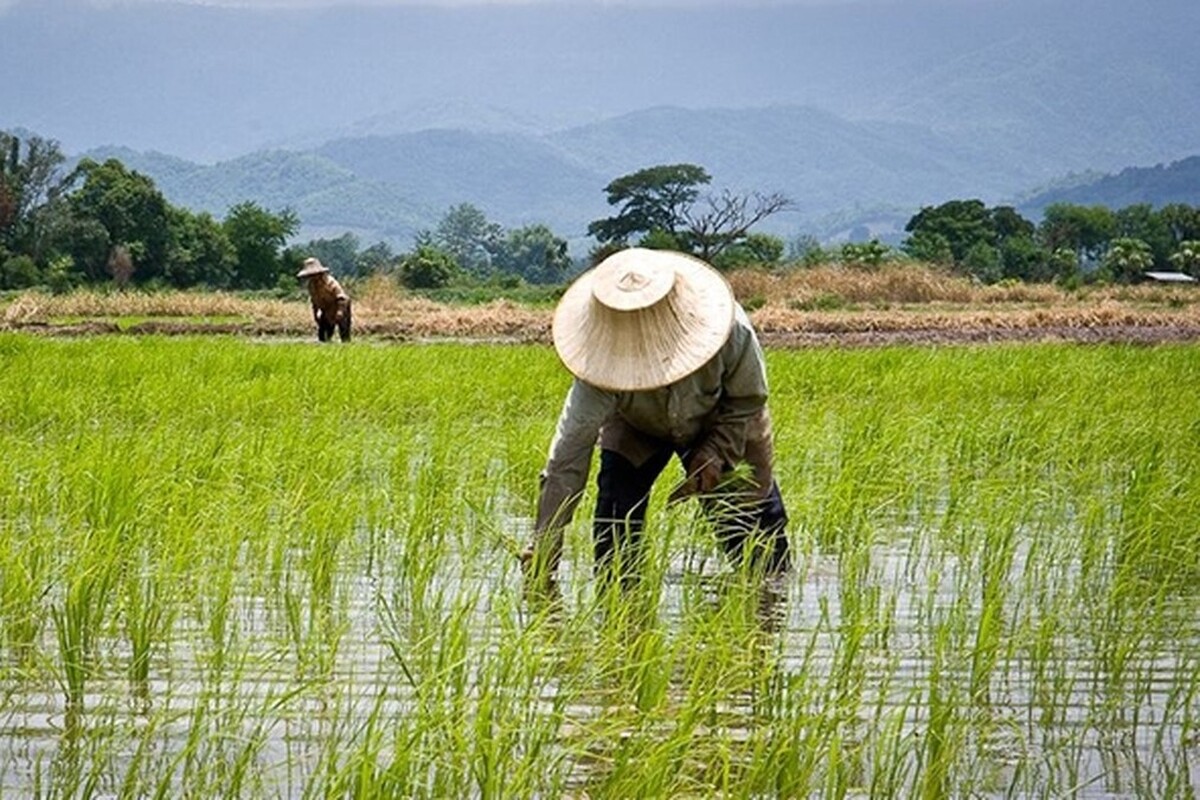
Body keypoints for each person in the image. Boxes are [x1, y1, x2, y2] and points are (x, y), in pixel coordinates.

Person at [521, 247, 789, 590]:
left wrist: (715, 451)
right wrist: (544, 546)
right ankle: (622, 617)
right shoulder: (597, 367)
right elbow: (567, 459)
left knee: (758, 542)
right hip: (635, 426)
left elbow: (748, 399)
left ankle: (767, 612)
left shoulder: (730, 331)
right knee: (614, 529)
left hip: (721, 419)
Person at [297, 257, 352, 342]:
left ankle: (346, 345)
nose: (313, 278)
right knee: (323, 335)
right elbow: (314, 301)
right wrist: (315, 315)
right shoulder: (311, 286)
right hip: (326, 309)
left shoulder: (331, 282)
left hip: (340, 306)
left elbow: (342, 298)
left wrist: (340, 312)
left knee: (344, 330)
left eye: (314, 275)